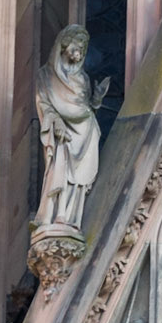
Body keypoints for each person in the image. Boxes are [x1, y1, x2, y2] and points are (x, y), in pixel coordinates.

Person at [33, 25, 109, 235]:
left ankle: (72, 216)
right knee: (60, 169)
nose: (80, 51)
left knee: (79, 180)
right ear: (64, 45)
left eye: (83, 48)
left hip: (86, 131)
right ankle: (59, 215)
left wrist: (98, 98)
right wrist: (55, 121)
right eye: (77, 46)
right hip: (62, 133)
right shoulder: (46, 76)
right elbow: (44, 104)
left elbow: (86, 105)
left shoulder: (83, 79)